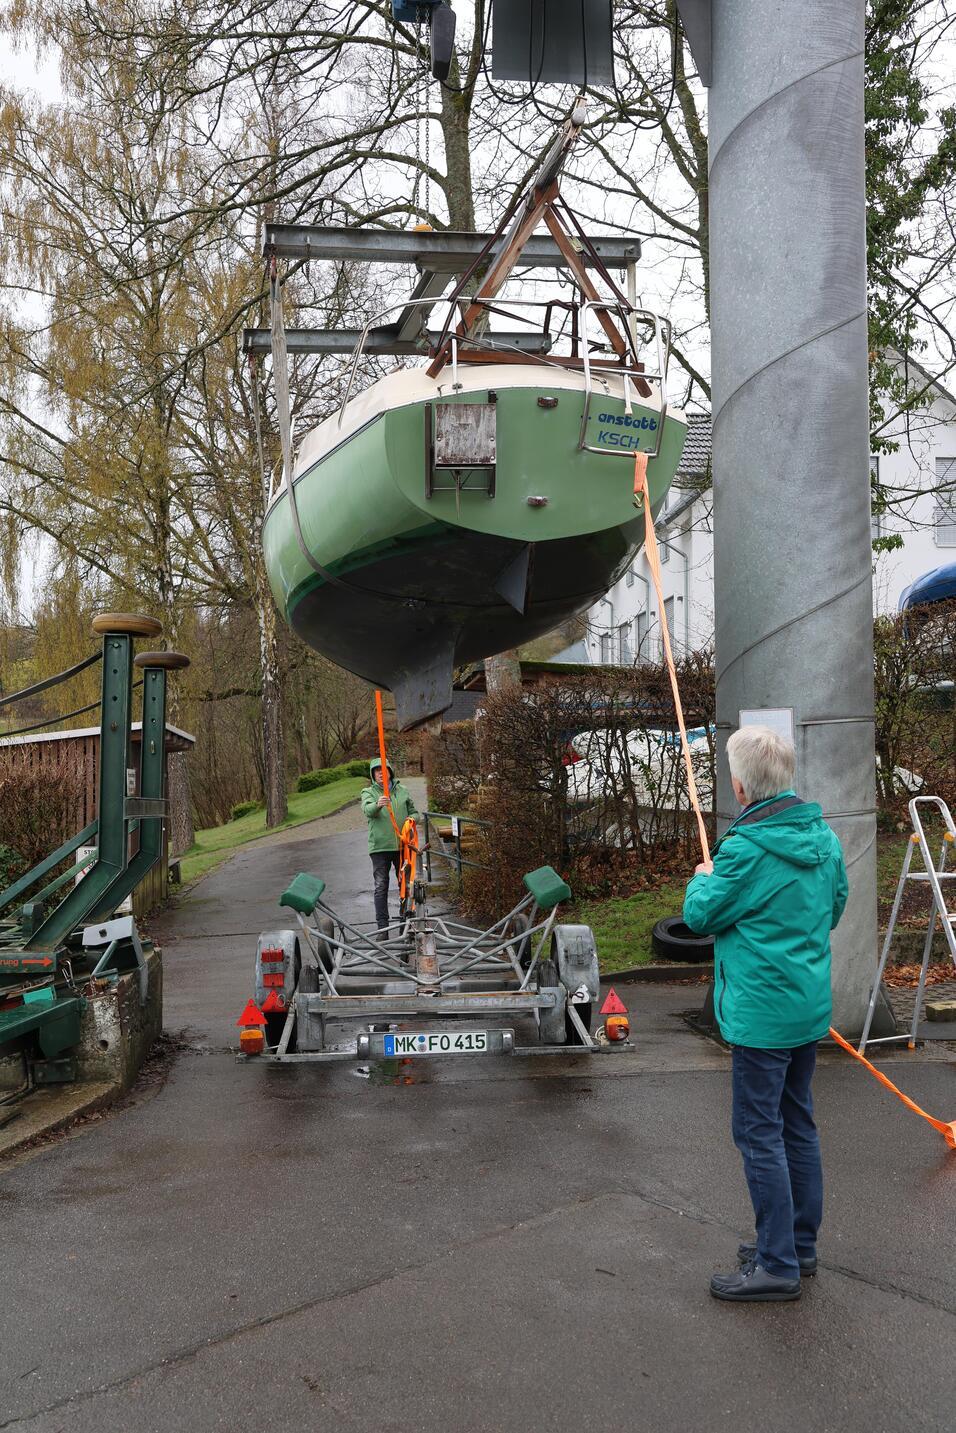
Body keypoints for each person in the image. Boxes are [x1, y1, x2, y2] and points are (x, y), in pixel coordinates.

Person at [683, 724, 848, 1303]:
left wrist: (702, 879)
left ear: (740, 785)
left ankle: (777, 1264)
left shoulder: (744, 849)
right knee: (795, 1124)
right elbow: (834, 907)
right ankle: (796, 1246)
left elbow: (700, 917)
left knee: (758, 1132)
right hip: (805, 1008)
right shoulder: (823, 837)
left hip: (762, 1016)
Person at [360, 758, 419, 935]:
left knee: (405, 887)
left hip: (402, 848)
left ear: (390, 772)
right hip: (380, 848)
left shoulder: (403, 790)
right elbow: (367, 810)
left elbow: (414, 812)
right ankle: (383, 928)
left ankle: (405, 925)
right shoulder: (368, 792)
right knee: (381, 887)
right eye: (376, 770)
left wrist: (412, 819)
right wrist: (377, 805)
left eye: (383, 769)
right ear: (373, 774)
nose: (380, 773)